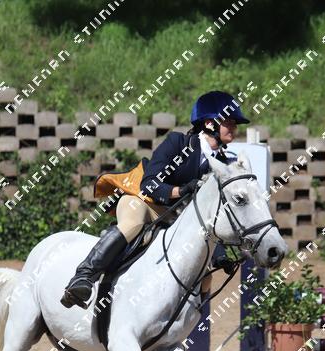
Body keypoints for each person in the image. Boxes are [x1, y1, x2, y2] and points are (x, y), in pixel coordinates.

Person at [61, 90, 250, 309]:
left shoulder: (224, 163)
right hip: (144, 201)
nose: (234, 127)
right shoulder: (177, 143)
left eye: (234, 123)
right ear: (209, 124)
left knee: (205, 273)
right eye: (229, 122)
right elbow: (149, 184)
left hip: (176, 218)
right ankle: (83, 277)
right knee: (132, 224)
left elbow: (209, 216)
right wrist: (182, 190)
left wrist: (220, 255)